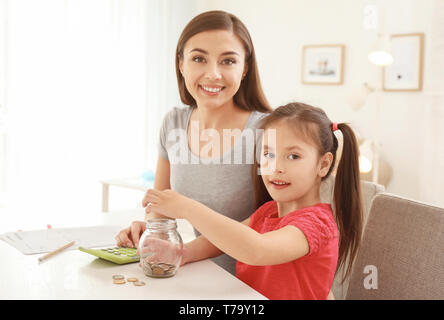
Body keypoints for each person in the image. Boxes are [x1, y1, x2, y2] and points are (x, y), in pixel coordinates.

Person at [142, 102, 363, 300]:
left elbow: (256, 249)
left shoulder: (317, 224)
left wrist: (187, 208)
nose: (276, 167)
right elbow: (220, 240)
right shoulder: (268, 212)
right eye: (268, 154)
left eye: (293, 156)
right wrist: (183, 252)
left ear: (323, 164)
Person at [115, 10, 271, 275]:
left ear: (244, 68)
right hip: (198, 274)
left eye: (228, 61)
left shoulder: (266, 131)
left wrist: (185, 252)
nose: (213, 74)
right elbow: (160, 206)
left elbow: (266, 221)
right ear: (181, 64)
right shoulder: (173, 123)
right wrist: (152, 232)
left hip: (252, 282)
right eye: (199, 58)